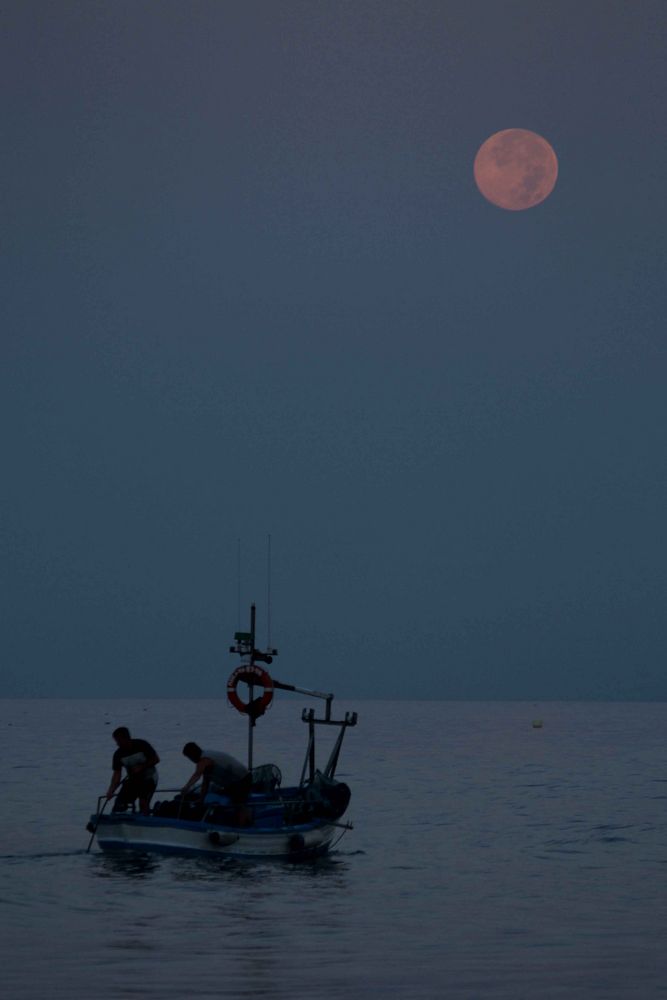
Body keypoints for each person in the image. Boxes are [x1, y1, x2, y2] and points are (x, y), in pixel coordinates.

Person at [106, 727, 160, 815]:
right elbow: (117, 774)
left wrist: (142, 767)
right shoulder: (118, 754)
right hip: (133, 780)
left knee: (143, 802)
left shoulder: (142, 744)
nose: (117, 744)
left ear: (127, 738)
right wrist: (111, 790)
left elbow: (156, 759)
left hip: (149, 777)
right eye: (116, 741)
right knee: (120, 803)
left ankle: (145, 819)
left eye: (119, 741)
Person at [181, 742, 251, 803]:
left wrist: (187, 787)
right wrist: (201, 799)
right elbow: (205, 783)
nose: (191, 760)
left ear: (193, 755)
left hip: (242, 779)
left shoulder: (204, 759)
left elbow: (197, 775)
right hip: (233, 782)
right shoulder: (206, 761)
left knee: (238, 803)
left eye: (189, 758)